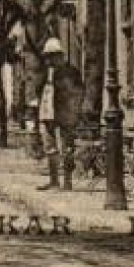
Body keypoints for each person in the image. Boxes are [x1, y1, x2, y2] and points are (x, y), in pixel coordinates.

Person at [30, 38, 83, 191]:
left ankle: (67, 181)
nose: (50, 60)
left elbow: (78, 93)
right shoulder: (45, 73)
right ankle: (54, 180)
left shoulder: (71, 72)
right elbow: (38, 91)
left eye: (53, 56)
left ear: (60, 55)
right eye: (48, 56)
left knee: (67, 148)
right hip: (47, 114)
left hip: (65, 114)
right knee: (50, 147)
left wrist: (74, 112)